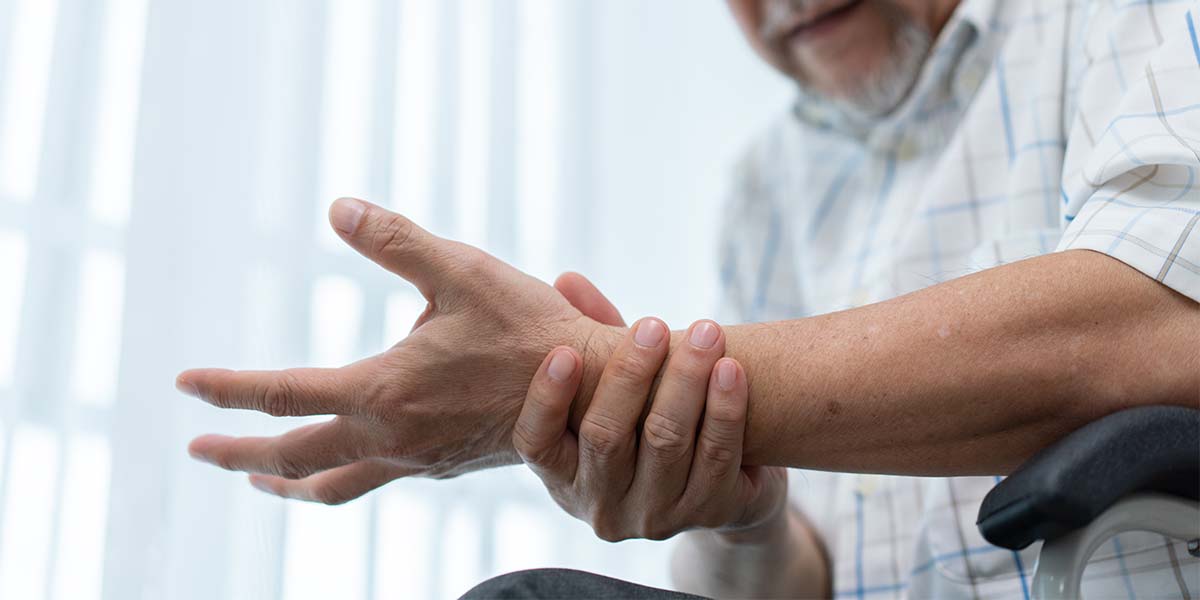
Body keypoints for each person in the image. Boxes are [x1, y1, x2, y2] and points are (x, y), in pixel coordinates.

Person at [176, 0, 1200, 597]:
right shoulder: (768, 188)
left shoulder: (1116, 15)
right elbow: (803, 583)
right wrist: (728, 500)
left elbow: (1160, 327)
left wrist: (569, 375)